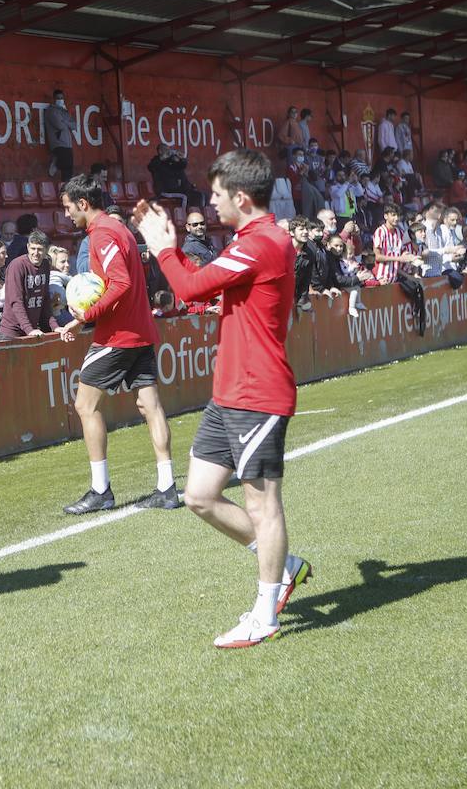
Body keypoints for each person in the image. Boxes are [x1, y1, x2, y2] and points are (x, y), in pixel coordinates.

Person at [136, 149, 311, 648]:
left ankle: (265, 614)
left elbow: (189, 284)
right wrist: (174, 255)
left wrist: (163, 249)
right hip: (230, 391)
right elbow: (202, 286)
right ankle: (284, 568)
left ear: (239, 196)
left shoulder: (265, 242)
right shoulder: (253, 242)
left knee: (263, 503)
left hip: (258, 393)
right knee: (199, 496)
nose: (209, 204)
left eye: (215, 195)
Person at [57, 173, 179, 514]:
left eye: (68, 208)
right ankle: (167, 487)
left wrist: (84, 315)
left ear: (83, 204)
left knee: (85, 405)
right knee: (150, 405)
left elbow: (120, 283)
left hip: (118, 335)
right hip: (139, 330)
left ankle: (100, 490)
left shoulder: (104, 233)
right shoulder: (118, 228)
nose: (66, 215)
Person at [0, 231, 58, 341]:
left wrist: (55, 327)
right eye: (33, 248)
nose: (36, 253)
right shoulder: (17, 266)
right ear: (27, 247)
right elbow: (16, 301)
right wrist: (29, 330)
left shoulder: (45, 265)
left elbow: (44, 299)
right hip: (11, 333)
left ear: (46, 250)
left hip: (32, 332)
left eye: (40, 249)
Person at [148, 144, 203, 208]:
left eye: (169, 150)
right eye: (166, 150)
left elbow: (182, 165)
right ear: (160, 151)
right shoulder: (156, 161)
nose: (168, 152)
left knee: (197, 195)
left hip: (176, 189)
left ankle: (195, 213)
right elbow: (151, 167)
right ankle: (183, 215)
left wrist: (181, 158)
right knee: (184, 196)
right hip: (164, 191)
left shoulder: (170, 160)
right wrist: (163, 158)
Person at [44, 89, 76, 180]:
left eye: (62, 98)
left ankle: (57, 163)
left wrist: (64, 120)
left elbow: (74, 126)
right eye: (58, 98)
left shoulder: (64, 112)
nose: (60, 100)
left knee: (69, 167)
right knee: (66, 165)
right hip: (58, 143)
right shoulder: (51, 111)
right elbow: (60, 125)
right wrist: (66, 122)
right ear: (54, 99)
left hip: (67, 144)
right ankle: (56, 163)